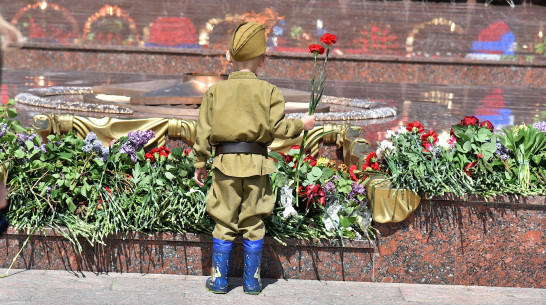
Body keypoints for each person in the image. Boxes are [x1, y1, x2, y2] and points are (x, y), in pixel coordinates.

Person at [193, 21, 316, 295]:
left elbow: (202, 132)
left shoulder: (214, 92)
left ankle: (220, 280)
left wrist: (200, 163)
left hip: (224, 164)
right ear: (263, 60)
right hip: (257, 166)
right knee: (253, 221)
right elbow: (279, 129)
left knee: (224, 221)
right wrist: (302, 125)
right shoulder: (269, 91)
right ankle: (252, 282)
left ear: (228, 57)